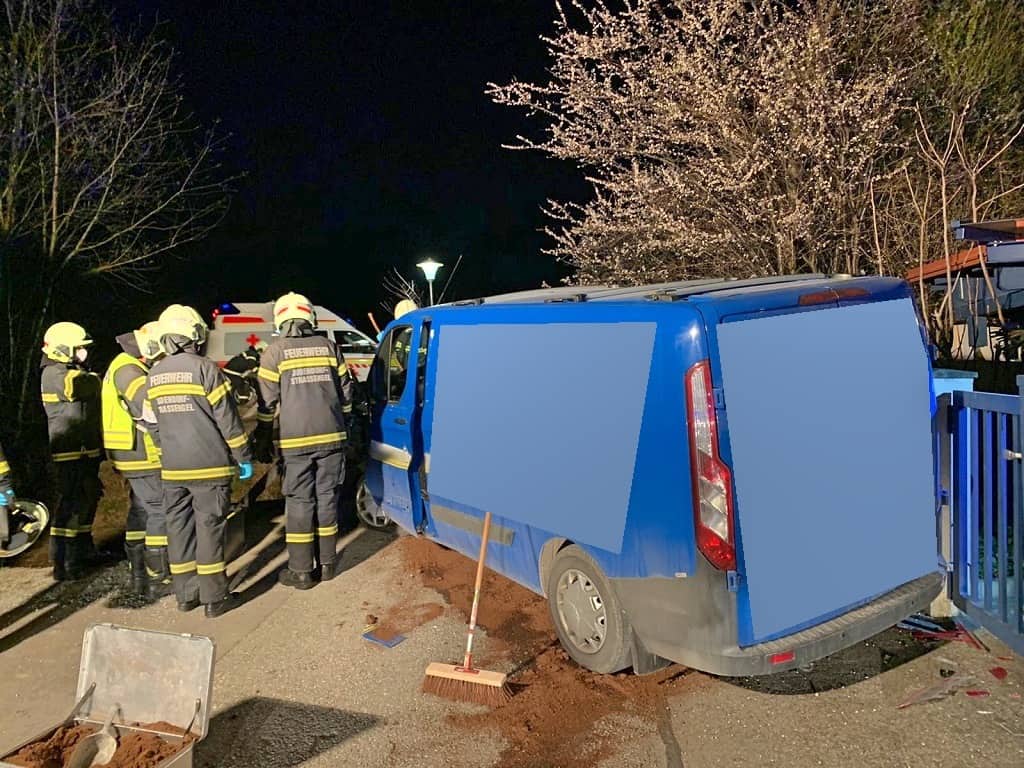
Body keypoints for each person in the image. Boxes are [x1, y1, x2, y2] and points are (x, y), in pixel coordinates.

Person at [143, 304, 253, 618]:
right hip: (209, 467)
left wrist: (167, 449)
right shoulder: (206, 369)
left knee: (178, 531)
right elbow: (228, 419)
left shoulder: (154, 374)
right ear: (193, 334)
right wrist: (243, 456)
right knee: (209, 529)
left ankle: (185, 596)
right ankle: (215, 599)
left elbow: (150, 423)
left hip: (173, 469)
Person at [256, 292, 354, 589]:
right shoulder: (329, 347)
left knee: (300, 502)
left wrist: (262, 437)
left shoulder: (274, 352)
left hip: (296, 440)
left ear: (280, 320)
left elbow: (266, 404)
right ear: (310, 316)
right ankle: (327, 565)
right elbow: (346, 394)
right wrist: (346, 423)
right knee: (327, 498)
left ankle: (300, 571)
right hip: (333, 437)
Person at [102, 321, 172, 598]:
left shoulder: (124, 364)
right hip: (139, 451)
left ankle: (139, 572)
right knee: (160, 510)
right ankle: (159, 576)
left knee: (141, 511)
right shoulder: (130, 371)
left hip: (128, 451)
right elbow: (147, 405)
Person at [40, 322, 103, 580]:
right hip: (68, 451)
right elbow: (78, 387)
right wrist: (96, 379)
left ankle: (84, 551)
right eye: (78, 348)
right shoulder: (53, 373)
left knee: (88, 499)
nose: (82, 353)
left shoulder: (73, 370)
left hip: (85, 448)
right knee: (70, 505)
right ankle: (63, 561)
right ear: (63, 348)